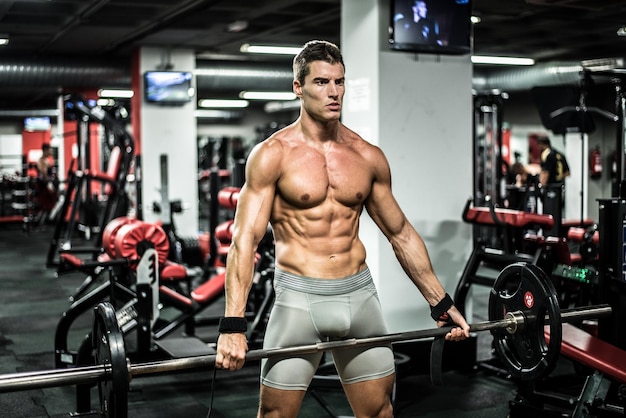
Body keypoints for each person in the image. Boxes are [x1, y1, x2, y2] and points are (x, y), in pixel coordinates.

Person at [215, 40, 470, 418]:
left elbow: (399, 233)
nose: (334, 92)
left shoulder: (366, 156)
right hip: (298, 300)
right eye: (321, 82)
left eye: (339, 82)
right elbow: (244, 240)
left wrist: (440, 301)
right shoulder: (272, 155)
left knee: (380, 412)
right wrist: (233, 324)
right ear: (298, 87)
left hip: (359, 296)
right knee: (275, 416)